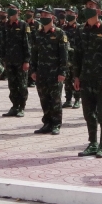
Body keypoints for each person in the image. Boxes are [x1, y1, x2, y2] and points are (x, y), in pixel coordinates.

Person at [72, 0, 102, 158]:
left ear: (98, 10)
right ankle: (92, 143)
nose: (87, 8)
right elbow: (77, 55)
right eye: (86, 5)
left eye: (91, 5)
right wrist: (76, 77)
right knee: (88, 113)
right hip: (86, 78)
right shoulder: (80, 29)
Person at [31, 7, 69, 135]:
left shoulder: (59, 33)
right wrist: (33, 70)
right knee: (44, 99)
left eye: (46, 14)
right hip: (41, 72)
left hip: (55, 73)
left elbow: (64, 55)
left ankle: (56, 123)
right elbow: (34, 53)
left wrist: (62, 72)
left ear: (52, 17)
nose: (43, 17)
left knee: (55, 99)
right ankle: (47, 123)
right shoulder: (38, 33)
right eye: (41, 14)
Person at [0, 2, 31, 117]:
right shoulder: (5, 25)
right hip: (9, 60)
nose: (10, 10)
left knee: (22, 85)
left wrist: (27, 60)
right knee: (12, 84)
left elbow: (27, 44)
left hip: (21, 61)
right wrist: (4, 60)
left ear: (18, 11)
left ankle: (21, 106)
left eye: (13, 8)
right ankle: (14, 106)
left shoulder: (23, 25)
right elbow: (2, 43)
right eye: (9, 8)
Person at [62, 8, 81, 109]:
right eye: (67, 13)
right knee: (67, 80)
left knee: (76, 79)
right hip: (66, 58)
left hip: (76, 58)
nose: (69, 14)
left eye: (71, 13)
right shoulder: (63, 28)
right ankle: (68, 99)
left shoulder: (80, 28)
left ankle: (77, 99)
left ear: (76, 15)